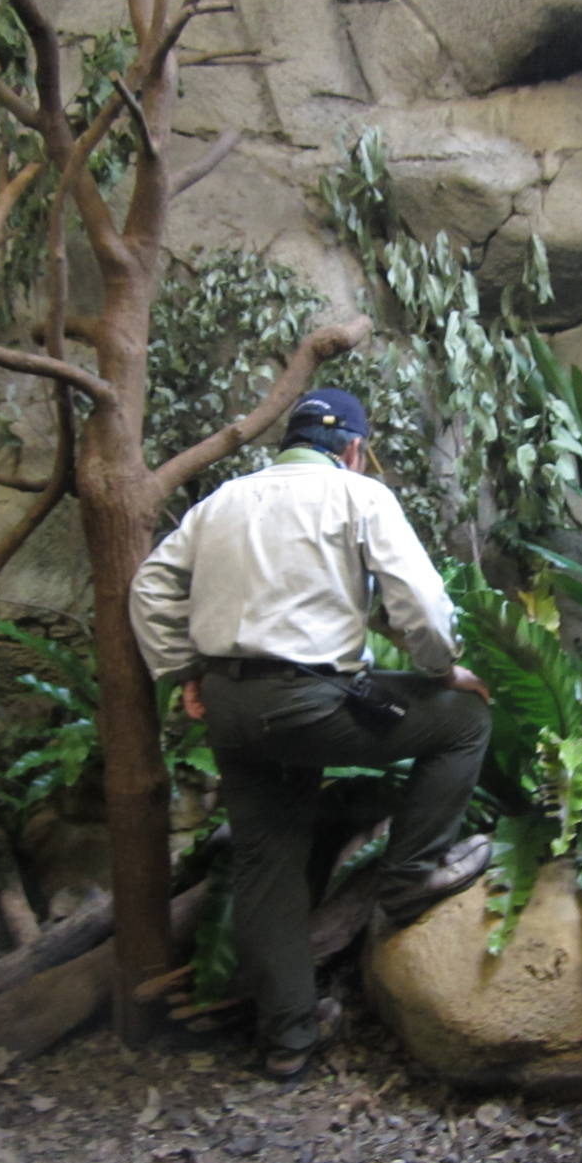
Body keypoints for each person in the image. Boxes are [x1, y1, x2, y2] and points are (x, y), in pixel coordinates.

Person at [128, 387, 493, 1080]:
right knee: (466, 720)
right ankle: (412, 875)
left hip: (232, 707)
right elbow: (420, 603)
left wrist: (183, 671)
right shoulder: (360, 496)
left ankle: (288, 1039)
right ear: (353, 449)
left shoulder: (223, 502)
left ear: (289, 442)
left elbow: (150, 588)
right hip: (311, 704)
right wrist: (442, 669)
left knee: (266, 861)